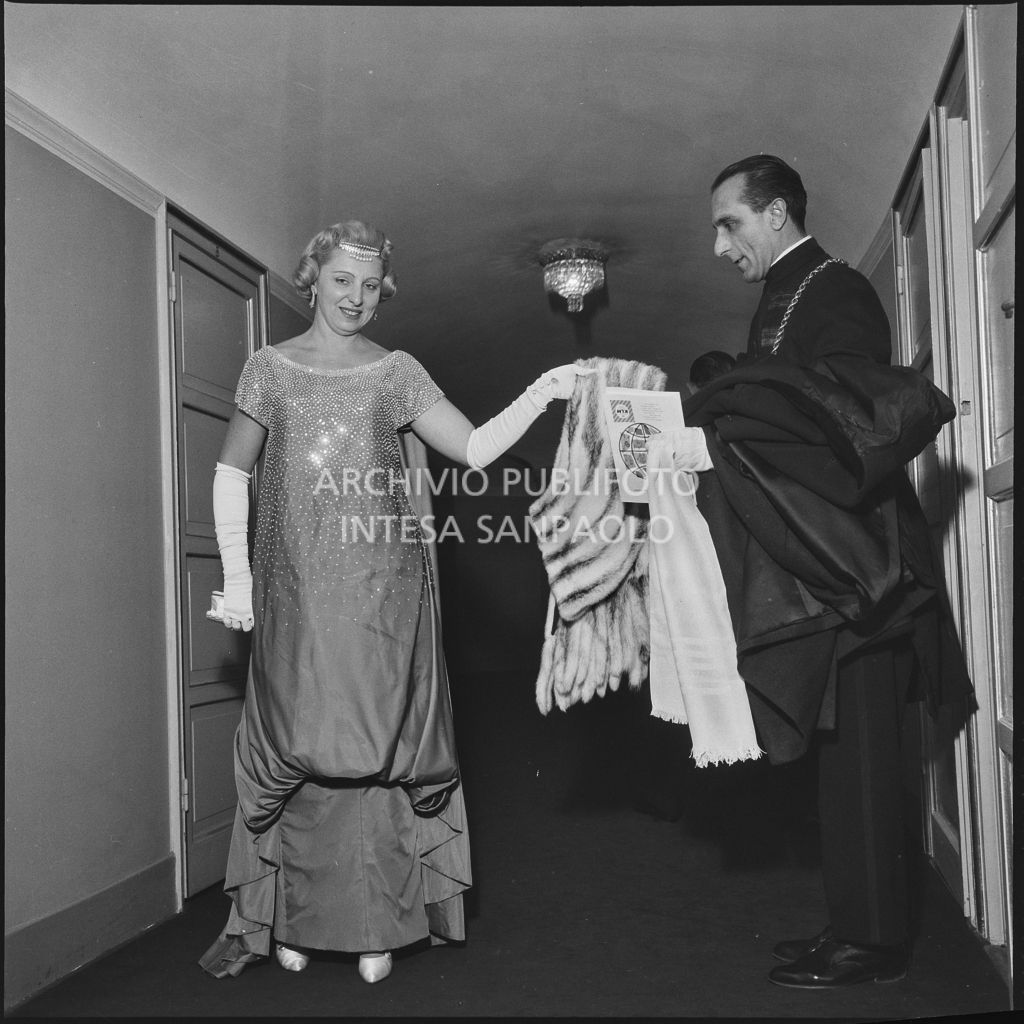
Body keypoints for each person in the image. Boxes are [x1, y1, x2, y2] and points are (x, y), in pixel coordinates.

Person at [199, 220, 590, 984]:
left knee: (378, 759)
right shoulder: (268, 369)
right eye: (343, 279)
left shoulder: (397, 372)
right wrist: (239, 581)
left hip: (385, 600)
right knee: (302, 754)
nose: (356, 297)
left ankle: (379, 921)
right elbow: (230, 474)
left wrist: (543, 392)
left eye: (372, 285)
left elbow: (472, 449)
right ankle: (293, 920)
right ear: (313, 276)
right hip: (297, 597)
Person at [654, 155, 974, 988]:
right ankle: (851, 924)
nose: (719, 245)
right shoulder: (786, 295)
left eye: (729, 223)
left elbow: (843, 422)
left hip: (858, 566)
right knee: (844, 752)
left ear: (777, 213)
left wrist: (734, 408)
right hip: (831, 565)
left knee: (863, 750)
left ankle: (873, 942)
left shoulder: (834, 290)